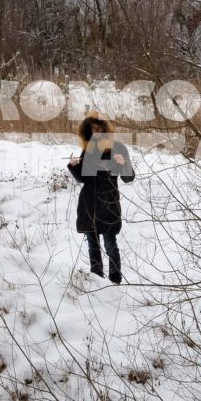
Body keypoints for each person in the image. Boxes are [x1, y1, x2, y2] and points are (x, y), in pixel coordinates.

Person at [68, 114, 134, 283]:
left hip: (109, 205)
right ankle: (97, 281)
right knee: (93, 246)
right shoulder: (89, 149)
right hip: (89, 204)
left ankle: (115, 281)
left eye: (100, 129)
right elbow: (84, 179)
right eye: (93, 129)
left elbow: (128, 178)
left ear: (106, 130)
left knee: (110, 245)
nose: (97, 132)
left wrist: (124, 163)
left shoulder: (118, 147)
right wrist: (74, 167)